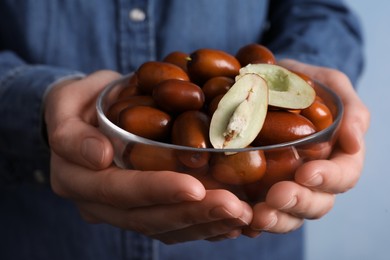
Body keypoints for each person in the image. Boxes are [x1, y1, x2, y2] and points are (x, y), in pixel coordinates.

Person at [0, 1, 370, 259]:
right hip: (44, 236)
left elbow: (321, 11)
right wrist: (37, 102)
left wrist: (313, 70)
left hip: (250, 226)